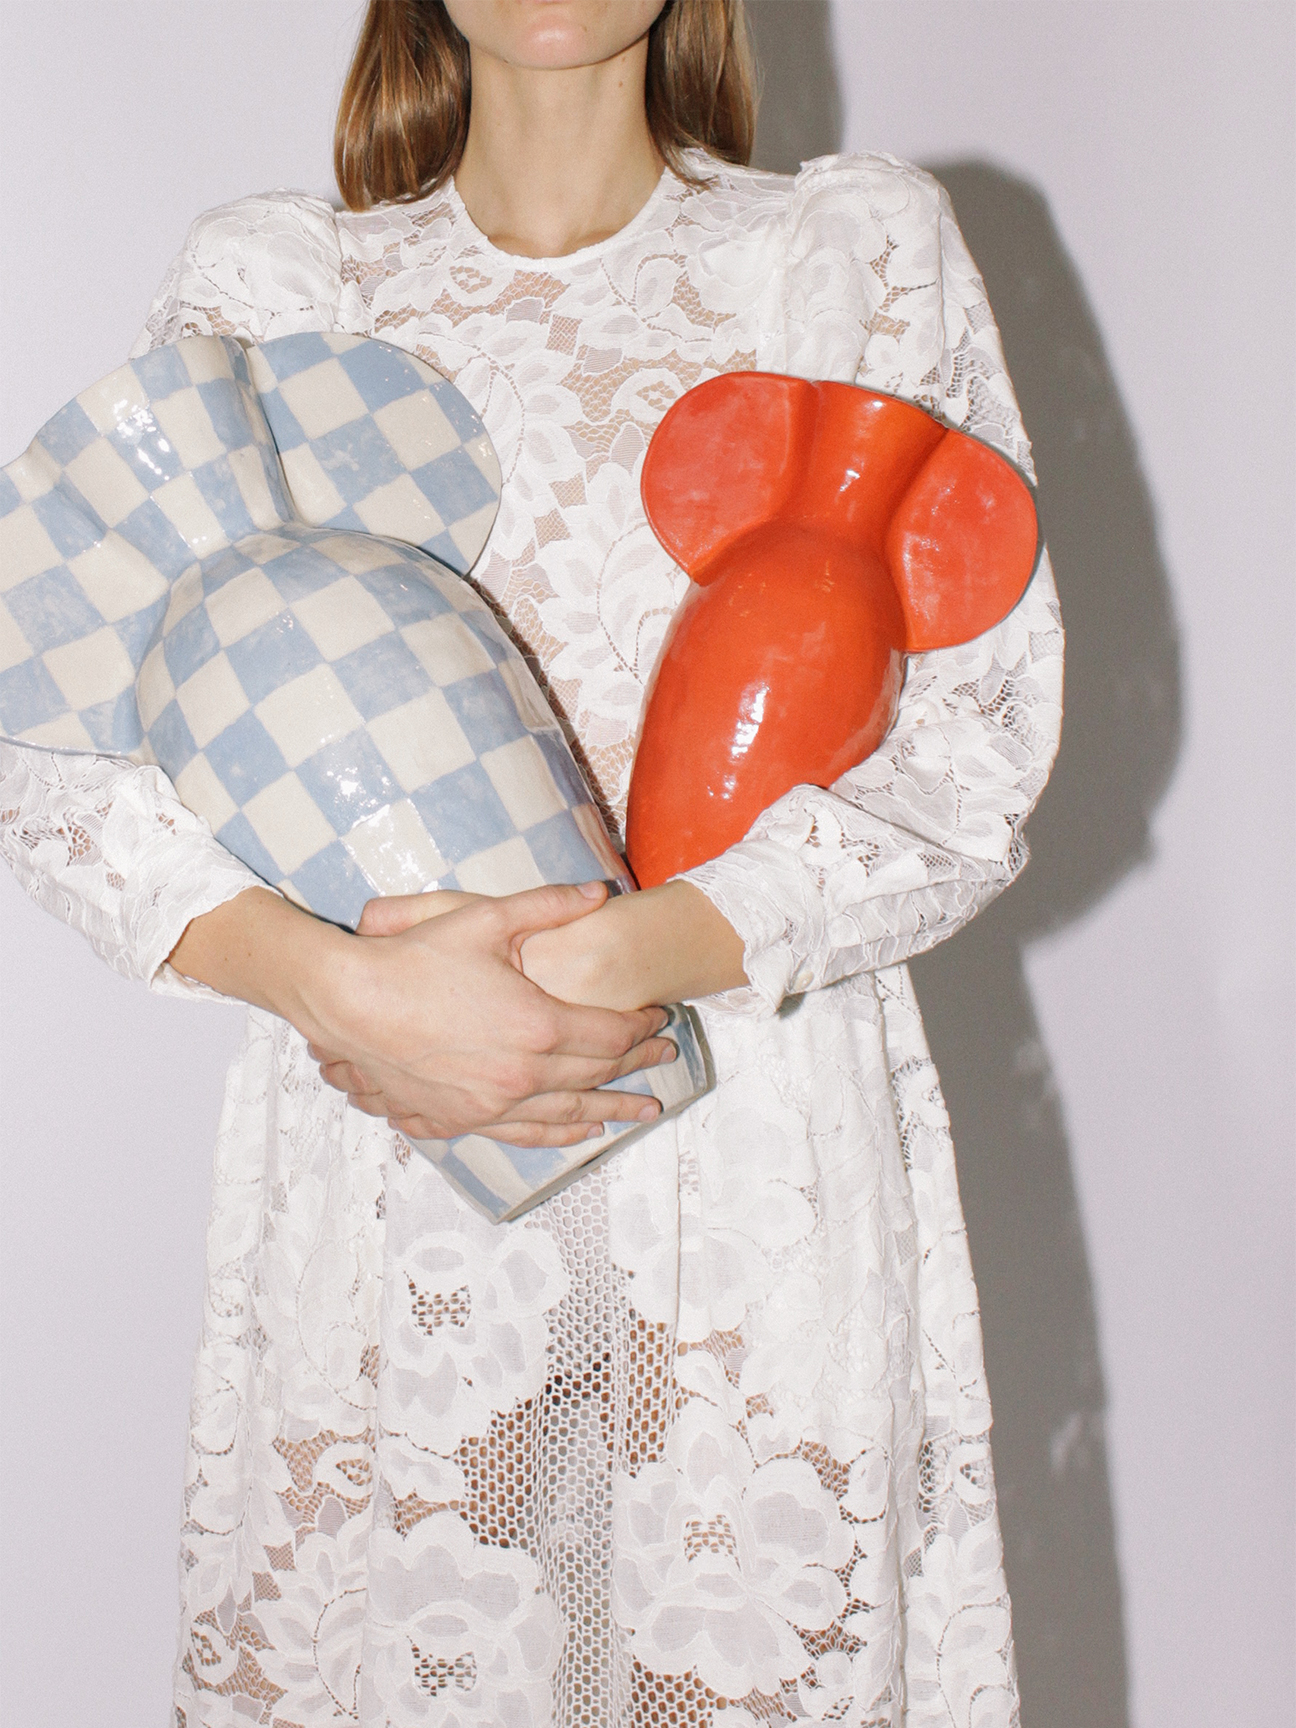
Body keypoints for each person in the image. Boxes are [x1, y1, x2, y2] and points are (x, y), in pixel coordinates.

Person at [0, 1, 1063, 1722]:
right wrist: (340, 988)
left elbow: (971, 753)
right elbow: (65, 753)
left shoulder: (841, 262)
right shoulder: (283, 289)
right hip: (394, 1171)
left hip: (752, 1160)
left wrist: (610, 965)